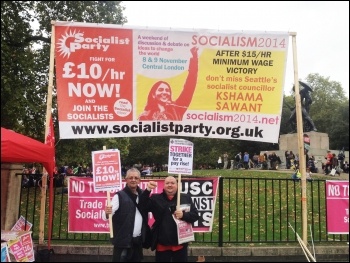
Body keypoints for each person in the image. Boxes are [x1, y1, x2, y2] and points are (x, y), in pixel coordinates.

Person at [140, 176, 199, 262]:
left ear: (177, 185)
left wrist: (184, 215)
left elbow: (195, 216)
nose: (170, 185)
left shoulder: (185, 198)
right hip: (162, 244)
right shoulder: (155, 198)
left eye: (172, 183)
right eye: (167, 183)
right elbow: (142, 205)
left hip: (180, 244)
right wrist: (147, 190)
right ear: (163, 185)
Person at [138, 47, 199, 121]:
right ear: (153, 95)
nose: (164, 92)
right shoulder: (145, 116)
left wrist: (194, 59)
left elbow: (190, 86)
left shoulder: (177, 109)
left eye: (167, 90)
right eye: (160, 89)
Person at [103, 168, 149, 262]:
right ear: (126, 179)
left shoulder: (143, 195)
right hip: (122, 242)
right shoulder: (119, 196)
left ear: (139, 180)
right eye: (130, 177)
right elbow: (106, 216)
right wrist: (107, 213)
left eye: (136, 178)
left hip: (137, 242)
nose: (133, 180)